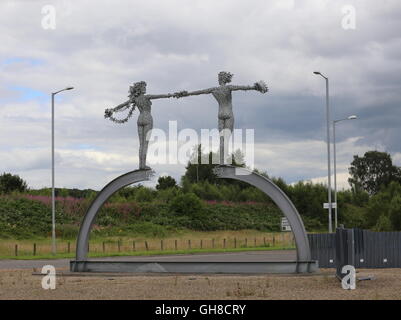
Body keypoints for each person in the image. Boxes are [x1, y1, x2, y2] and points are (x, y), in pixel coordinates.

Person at [174, 71, 268, 164]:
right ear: (226, 79)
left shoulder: (214, 89)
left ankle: (222, 161)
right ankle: (224, 161)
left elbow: (199, 92)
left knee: (221, 139)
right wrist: (255, 87)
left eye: (219, 78)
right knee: (226, 139)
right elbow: (242, 87)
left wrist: (185, 94)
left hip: (220, 115)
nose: (218, 80)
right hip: (228, 114)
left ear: (220, 79)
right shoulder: (229, 88)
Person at [105, 81, 173, 169]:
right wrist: (171, 95)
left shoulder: (135, 99)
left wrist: (112, 110)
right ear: (140, 89)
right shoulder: (147, 97)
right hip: (147, 118)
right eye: (143, 87)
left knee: (141, 144)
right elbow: (161, 96)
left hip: (140, 119)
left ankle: (141, 165)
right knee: (145, 144)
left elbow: (123, 105)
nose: (145, 88)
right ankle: (143, 165)